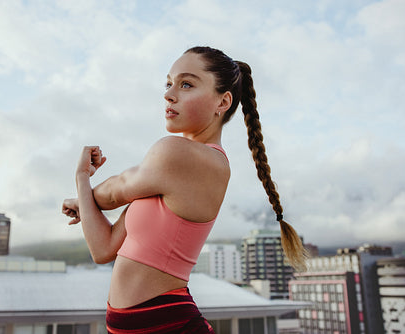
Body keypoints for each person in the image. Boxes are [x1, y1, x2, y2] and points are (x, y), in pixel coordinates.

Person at [62, 46, 307, 334]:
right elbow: (103, 249)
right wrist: (81, 179)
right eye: (169, 83)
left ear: (223, 101)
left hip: (170, 324)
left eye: (186, 84)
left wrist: (83, 197)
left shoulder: (181, 155)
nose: (168, 94)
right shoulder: (167, 175)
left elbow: (114, 192)